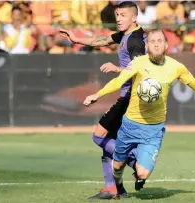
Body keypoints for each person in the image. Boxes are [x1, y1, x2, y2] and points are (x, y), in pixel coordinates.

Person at [83, 29, 195, 199]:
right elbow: (118, 81)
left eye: (159, 41)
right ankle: (119, 187)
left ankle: (137, 170)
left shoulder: (176, 67)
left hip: (153, 130)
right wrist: (97, 94)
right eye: (152, 41)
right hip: (129, 125)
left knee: (142, 173)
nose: (156, 44)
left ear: (166, 45)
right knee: (117, 166)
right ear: (147, 45)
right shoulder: (138, 63)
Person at [58, 1, 146, 200]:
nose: (118, 19)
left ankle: (137, 163)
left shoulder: (135, 41)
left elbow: (142, 69)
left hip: (132, 97)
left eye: (123, 15)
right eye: (117, 15)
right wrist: (77, 39)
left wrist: (117, 69)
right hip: (127, 95)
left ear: (134, 18)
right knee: (108, 142)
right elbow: (104, 39)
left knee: (99, 136)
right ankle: (114, 188)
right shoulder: (125, 35)